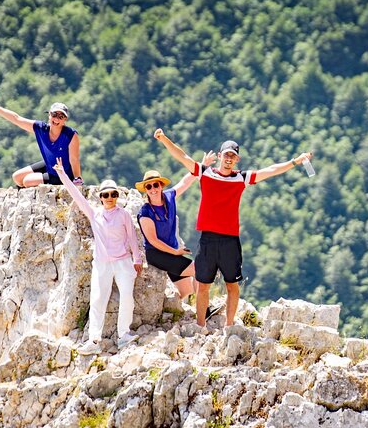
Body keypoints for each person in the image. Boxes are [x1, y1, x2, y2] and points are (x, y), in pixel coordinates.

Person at [154, 128, 313, 329]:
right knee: (203, 285)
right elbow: (182, 156)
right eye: (226, 154)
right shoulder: (204, 173)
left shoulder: (241, 178)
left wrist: (295, 161)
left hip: (230, 240)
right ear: (220, 156)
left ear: (237, 160)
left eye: (233, 156)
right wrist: (164, 139)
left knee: (232, 285)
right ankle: (200, 326)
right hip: (208, 239)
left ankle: (229, 326)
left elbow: (271, 170)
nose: (229, 159)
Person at [53, 157, 142, 355]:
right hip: (102, 264)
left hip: (123, 262)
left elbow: (132, 237)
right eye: (106, 195)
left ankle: (124, 335)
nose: (110, 197)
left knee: (127, 297)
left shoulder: (124, 214)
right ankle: (94, 340)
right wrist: (62, 173)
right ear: (100, 197)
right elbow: (76, 196)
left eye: (113, 194)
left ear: (117, 196)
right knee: (98, 299)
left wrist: (137, 259)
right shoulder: (95, 215)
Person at [134, 162, 222, 321]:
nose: (153, 189)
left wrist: (202, 166)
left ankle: (172, 314)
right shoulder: (145, 212)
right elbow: (152, 240)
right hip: (157, 254)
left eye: (155, 185)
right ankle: (205, 311)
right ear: (145, 190)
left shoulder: (169, 197)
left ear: (161, 185)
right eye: (148, 187)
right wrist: (175, 252)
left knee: (186, 291)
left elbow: (185, 182)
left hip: (172, 252)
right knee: (199, 269)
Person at [0, 94, 82, 187]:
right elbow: (17, 119)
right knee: (17, 177)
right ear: (49, 115)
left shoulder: (70, 135)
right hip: (50, 164)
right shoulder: (41, 129)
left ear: (65, 119)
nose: (56, 119)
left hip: (62, 173)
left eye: (61, 116)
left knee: (27, 181)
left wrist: (77, 179)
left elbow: (74, 159)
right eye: (54, 115)